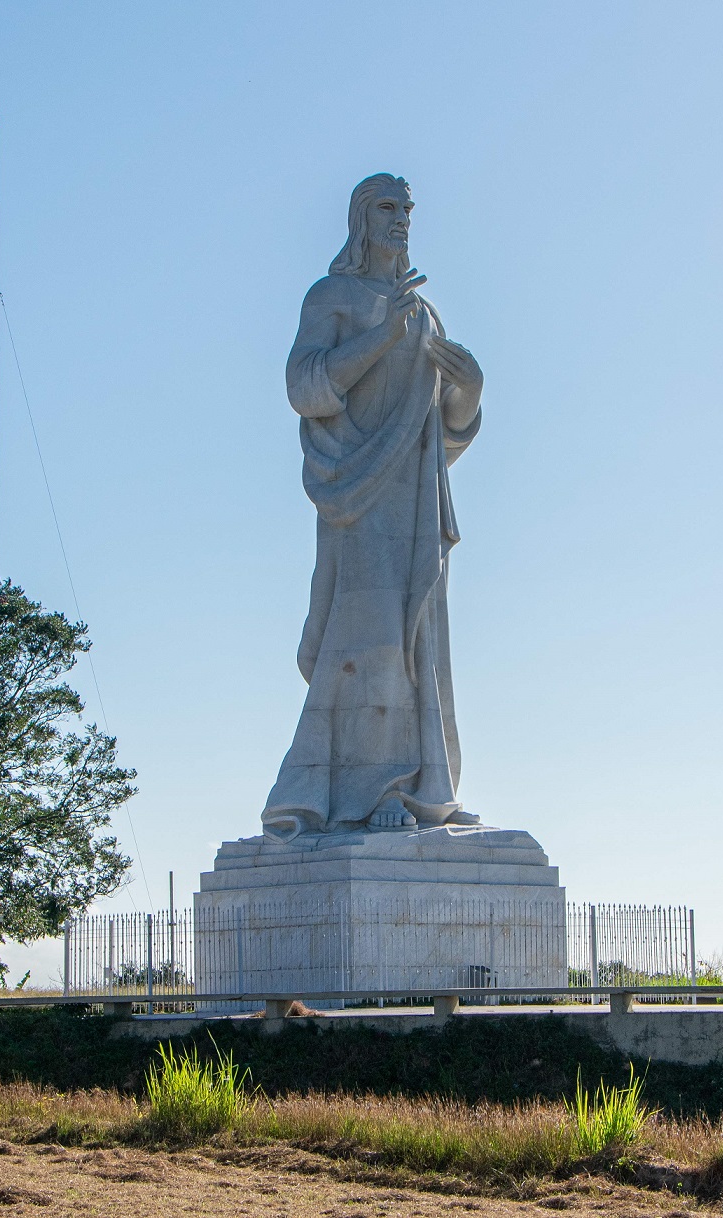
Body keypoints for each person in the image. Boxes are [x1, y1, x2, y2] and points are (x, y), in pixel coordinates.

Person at [261, 173, 486, 840]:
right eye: (388, 207)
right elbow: (306, 388)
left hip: (414, 498)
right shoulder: (334, 297)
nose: (402, 220)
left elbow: (439, 433)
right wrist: (380, 337)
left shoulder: (426, 311)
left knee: (420, 640)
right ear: (362, 217)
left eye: (407, 209)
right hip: (356, 498)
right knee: (368, 638)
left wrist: (469, 392)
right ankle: (362, 790)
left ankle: (421, 788)